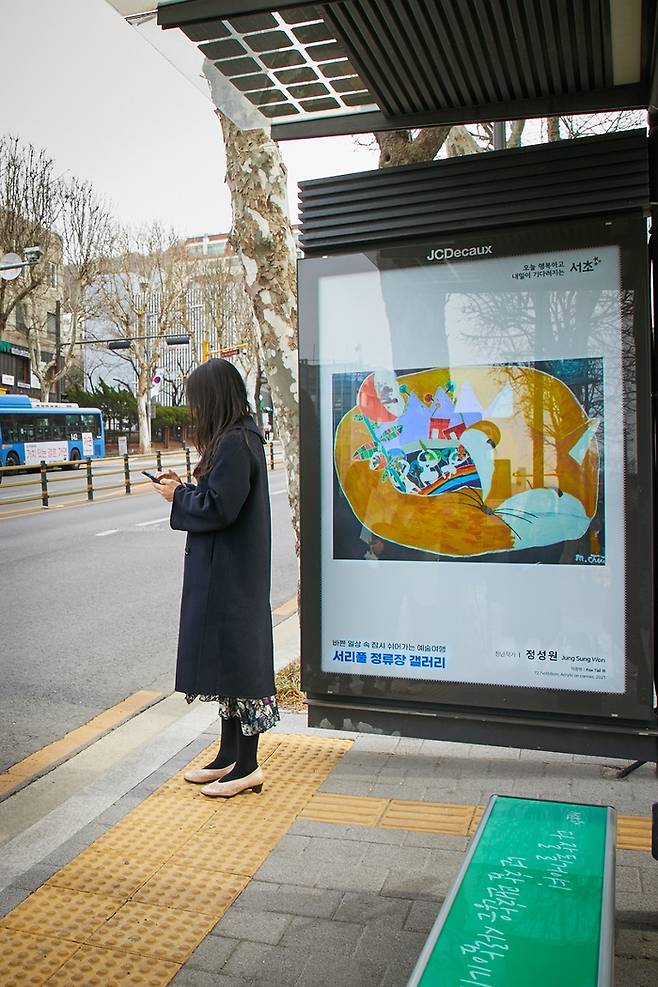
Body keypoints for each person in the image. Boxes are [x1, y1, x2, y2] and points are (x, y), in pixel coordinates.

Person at [152, 358, 279, 798]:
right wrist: (184, 487)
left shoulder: (236, 443)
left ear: (214, 399)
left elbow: (220, 508)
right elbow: (220, 497)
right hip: (230, 574)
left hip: (233, 579)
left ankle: (247, 766)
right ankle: (229, 756)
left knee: (243, 666)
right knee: (228, 663)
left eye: (198, 402)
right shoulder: (236, 439)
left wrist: (179, 495)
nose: (194, 411)